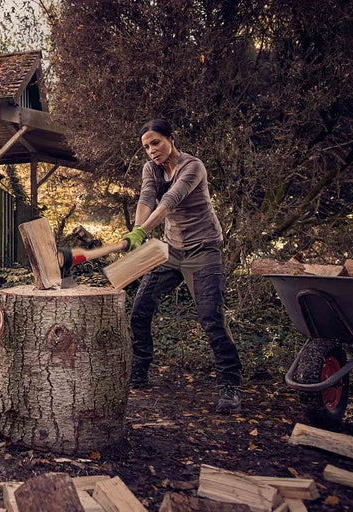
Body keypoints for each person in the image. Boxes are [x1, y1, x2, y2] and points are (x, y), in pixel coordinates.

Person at [122, 119, 243, 414]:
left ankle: (230, 386)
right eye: (146, 147)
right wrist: (137, 231)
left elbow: (170, 201)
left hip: (203, 249)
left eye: (156, 143)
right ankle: (139, 371)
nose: (151, 150)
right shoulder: (151, 169)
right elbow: (147, 198)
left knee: (211, 319)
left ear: (171, 138)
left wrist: (143, 230)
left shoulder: (193, 167)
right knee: (140, 309)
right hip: (171, 249)